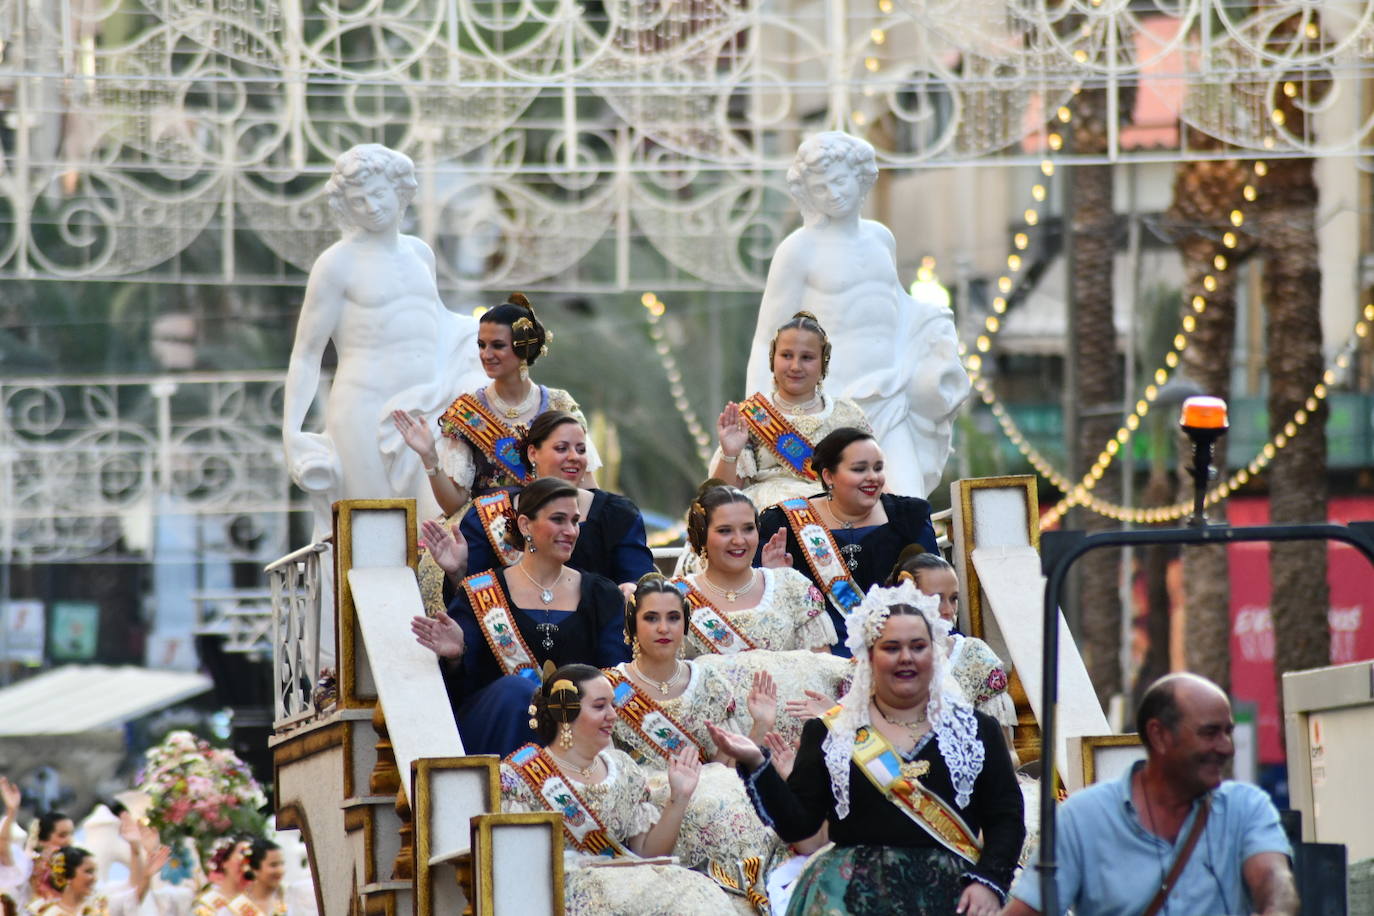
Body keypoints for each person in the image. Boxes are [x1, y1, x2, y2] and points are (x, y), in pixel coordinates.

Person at [709, 582, 1025, 916]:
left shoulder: (976, 730)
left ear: (934, 653)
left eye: (918, 646)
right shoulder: (830, 731)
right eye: (891, 647)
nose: (906, 657)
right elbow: (798, 825)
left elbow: (1005, 818)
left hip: (953, 896)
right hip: (848, 898)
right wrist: (756, 762)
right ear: (869, 656)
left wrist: (988, 882)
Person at [744, 132, 968, 500]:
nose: (833, 192)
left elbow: (896, 307)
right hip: (831, 409)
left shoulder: (882, 238)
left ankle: (918, 561)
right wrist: (756, 415)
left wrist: (935, 330)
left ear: (861, 177)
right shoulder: (798, 249)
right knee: (834, 515)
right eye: (821, 186)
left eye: (840, 180)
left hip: (890, 394)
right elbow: (767, 337)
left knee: (907, 502)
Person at [282, 143, 483, 537]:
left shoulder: (420, 253)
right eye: (357, 201)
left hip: (428, 408)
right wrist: (291, 432)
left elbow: (437, 323)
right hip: (366, 411)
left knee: (436, 525)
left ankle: (432, 602)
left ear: (400, 191)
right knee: (373, 530)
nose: (370, 207)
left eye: (378, 195)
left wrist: (484, 335)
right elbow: (305, 355)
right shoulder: (336, 264)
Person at [1001, 673, 1298, 916]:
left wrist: (1277, 909)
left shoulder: (1246, 807)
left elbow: (1274, 880)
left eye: (1227, 732)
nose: (1226, 747)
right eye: (1209, 733)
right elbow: (1027, 909)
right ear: (1159, 735)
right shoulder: (1083, 817)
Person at [412, 477, 630, 756]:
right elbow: (461, 688)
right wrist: (456, 656)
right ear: (526, 525)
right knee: (516, 692)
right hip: (498, 730)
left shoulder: (603, 594)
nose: (570, 531)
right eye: (558, 519)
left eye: (575, 521)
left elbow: (616, 672)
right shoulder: (482, 592)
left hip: (579, 731)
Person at [499, 666, 741, 915]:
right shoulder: (519, 778)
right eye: (599, 706)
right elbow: (517, 871)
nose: (613, 715)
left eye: (612, 705)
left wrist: (679, 798)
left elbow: (648, 854)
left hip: (630, 894)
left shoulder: (624, 768)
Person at [606, 573, 783, 898]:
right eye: (651, 618)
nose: (664, 628)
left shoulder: (709, 682)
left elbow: (726, 769)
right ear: (632, 626)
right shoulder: (610, 688)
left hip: (709, 787)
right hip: (646, 803)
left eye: (674, 618)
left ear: (686, 625)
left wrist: (759, 725)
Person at [672, 481, 851, 744]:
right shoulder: (676, 598)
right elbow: (673, 681)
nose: (739, 540)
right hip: (718, 746)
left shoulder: (791, 585)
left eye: (748, 529)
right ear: (701, 536)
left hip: (797, 741)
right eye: (724, 531)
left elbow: (819, 669)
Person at [391, 294, 598, 515]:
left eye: (497, 345)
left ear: (523, 348)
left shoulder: (560, 406)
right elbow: (454, 504)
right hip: (489, 534)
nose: (485, 354)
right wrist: (430, 458)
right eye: (481, 345)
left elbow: (587, 487)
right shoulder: (468, 412)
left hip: (552, 530)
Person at [756, 427, 938, 656]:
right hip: (818, 651)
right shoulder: (785, 523)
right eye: (859, 469)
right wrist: (775, 578)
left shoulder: (909, 516)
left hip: (898, 649)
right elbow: (760, 602)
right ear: (828, 476)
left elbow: (935, 584)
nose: (873, 477)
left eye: (878, 468)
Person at [446, 411, 653, 593]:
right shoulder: (491, 514)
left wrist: (632, 589)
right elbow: (474, 599)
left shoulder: (617, 513)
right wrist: (457, 572)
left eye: (581, 450)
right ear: (533, 453)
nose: (574, 457)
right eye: (562, 448)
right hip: (516, 634)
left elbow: (638, 579)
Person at [711, 311, 872, 511]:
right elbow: (722, 501)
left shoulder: (848, 415)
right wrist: (730, 453)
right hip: (768, 518)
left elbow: (870, 481)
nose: (795, 366)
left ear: (824, 362)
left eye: (807, 357)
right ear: (773, 359)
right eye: (786, 355)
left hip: (838, 517)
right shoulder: (750, 417)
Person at [887, 548, 1016, 734]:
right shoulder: (883, 657)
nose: (948, 609)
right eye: (937, 598)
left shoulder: (975, 654)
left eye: (953, 599)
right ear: (908, 597)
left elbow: (1006, 751)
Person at [28, 824, 168, 916]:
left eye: (94, 871)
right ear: (68, 876)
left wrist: (147, 875)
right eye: (88, 871)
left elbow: (133, 898)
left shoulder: (100, 904)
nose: (94, 877)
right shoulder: (45, 912)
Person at [225, 839, 288, 916]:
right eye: (273, 865)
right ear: (254, 869)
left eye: (282, 864)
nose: (280, 870)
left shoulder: (291, 899)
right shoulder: (234, 909)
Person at [191, 837, 250, 916]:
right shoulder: (208, 900)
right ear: (224, 862)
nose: (246, 862)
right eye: (242, 853)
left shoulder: (256, 903)